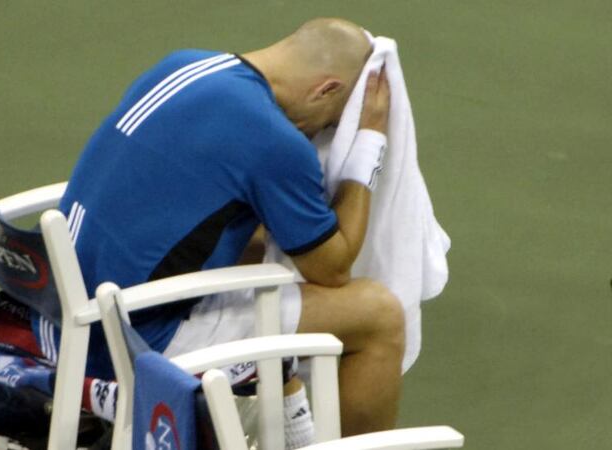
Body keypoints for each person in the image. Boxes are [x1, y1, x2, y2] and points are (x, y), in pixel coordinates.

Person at [56, 17, 402, 440]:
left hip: (64, 309)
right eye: (332, 124)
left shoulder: (184, 65)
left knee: (252, 241)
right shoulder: (273, 142)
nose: (324, 135)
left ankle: (294, 428)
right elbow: (332, 268)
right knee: (378, 315)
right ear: (326, 89)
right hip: (129, 345)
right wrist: (368, 143)